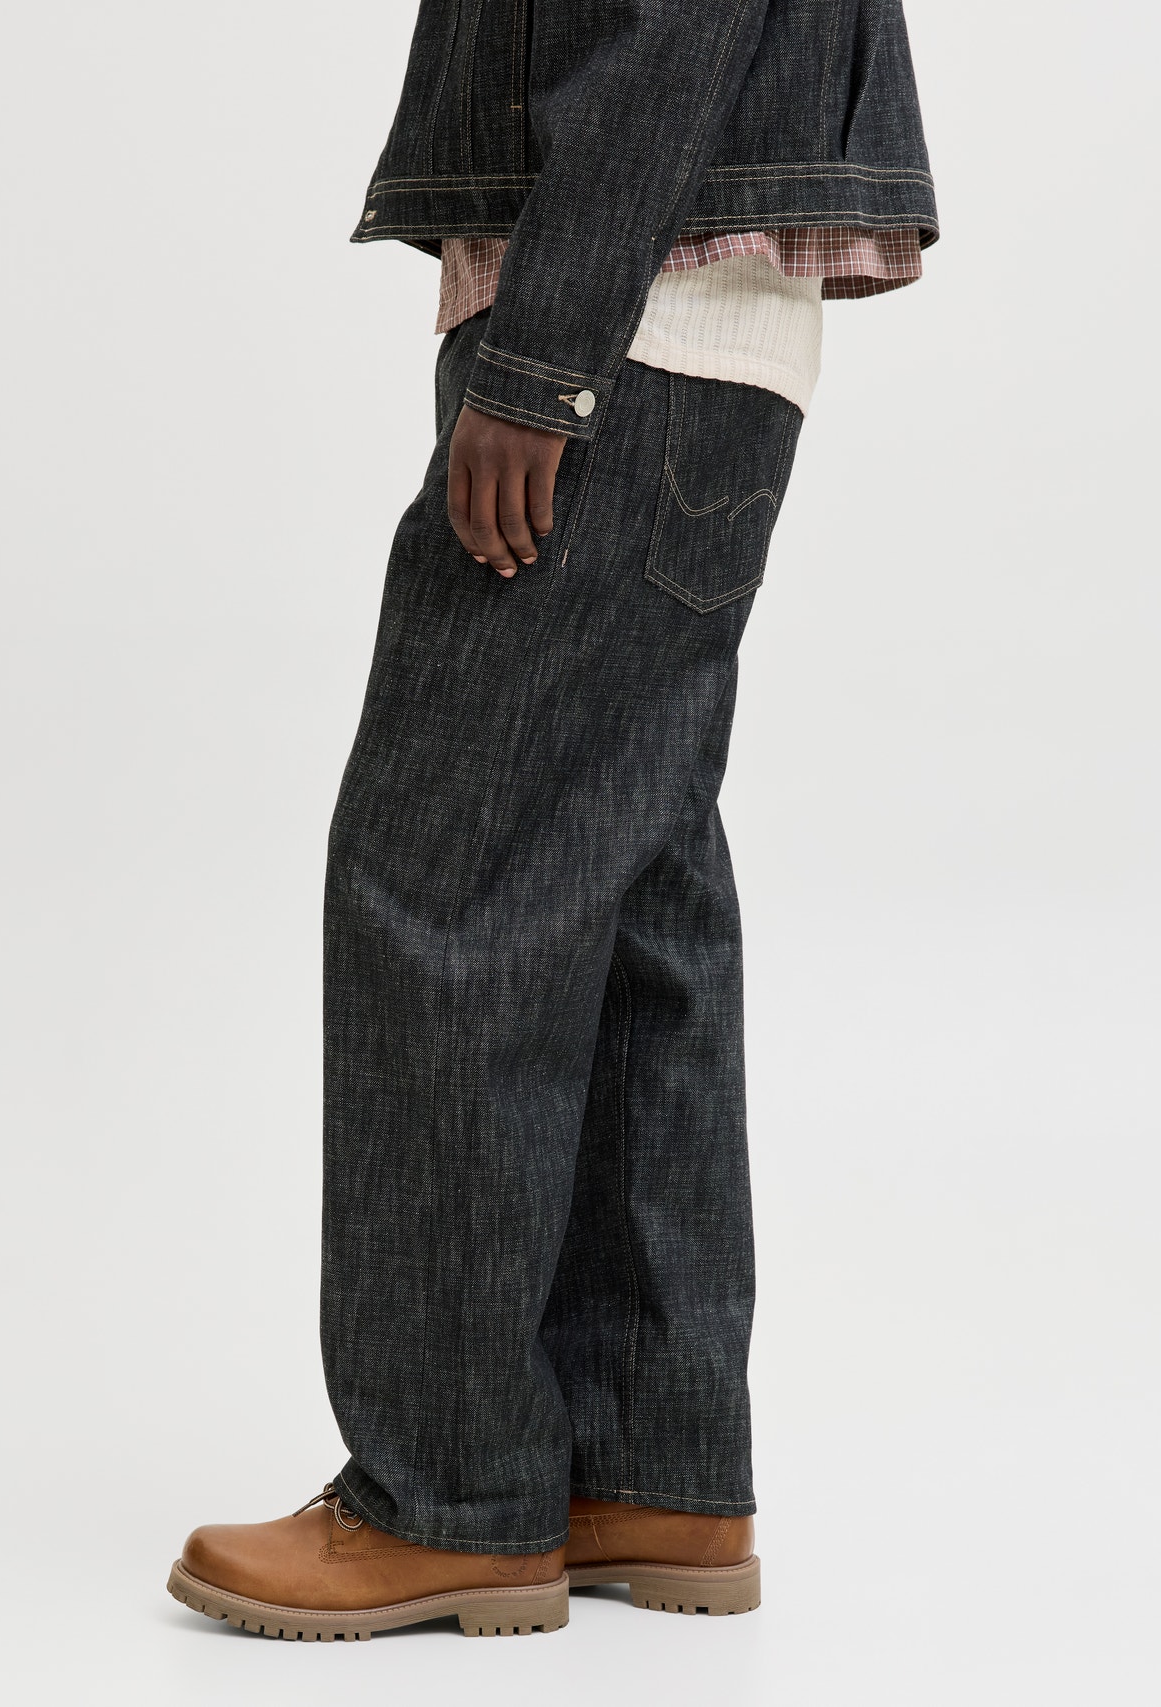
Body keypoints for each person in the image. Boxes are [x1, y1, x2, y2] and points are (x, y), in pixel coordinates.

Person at [169, 0, 937, 1643]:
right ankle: (646, 1465)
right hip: (689, 326)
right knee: (630, 884)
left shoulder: (578, 340)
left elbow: (666, 27)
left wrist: (543, 361)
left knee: (443, 891)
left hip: (617, 325)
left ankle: (445, 1495)